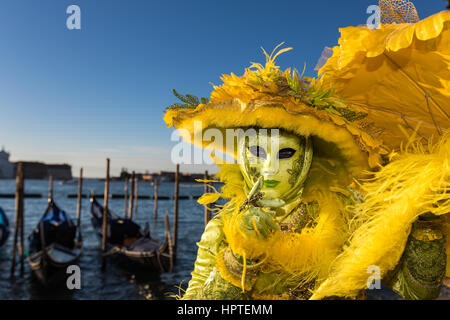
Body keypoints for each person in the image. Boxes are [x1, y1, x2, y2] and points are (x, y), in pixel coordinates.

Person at [163, 4, 450, 300]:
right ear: (242, 153)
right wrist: (239, 259)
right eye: (259, 152)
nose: (270, 169)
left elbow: (418, 293)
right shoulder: (222, 228)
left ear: (308, 156)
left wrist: (426, 220)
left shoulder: (350, 216)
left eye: (286, 154)